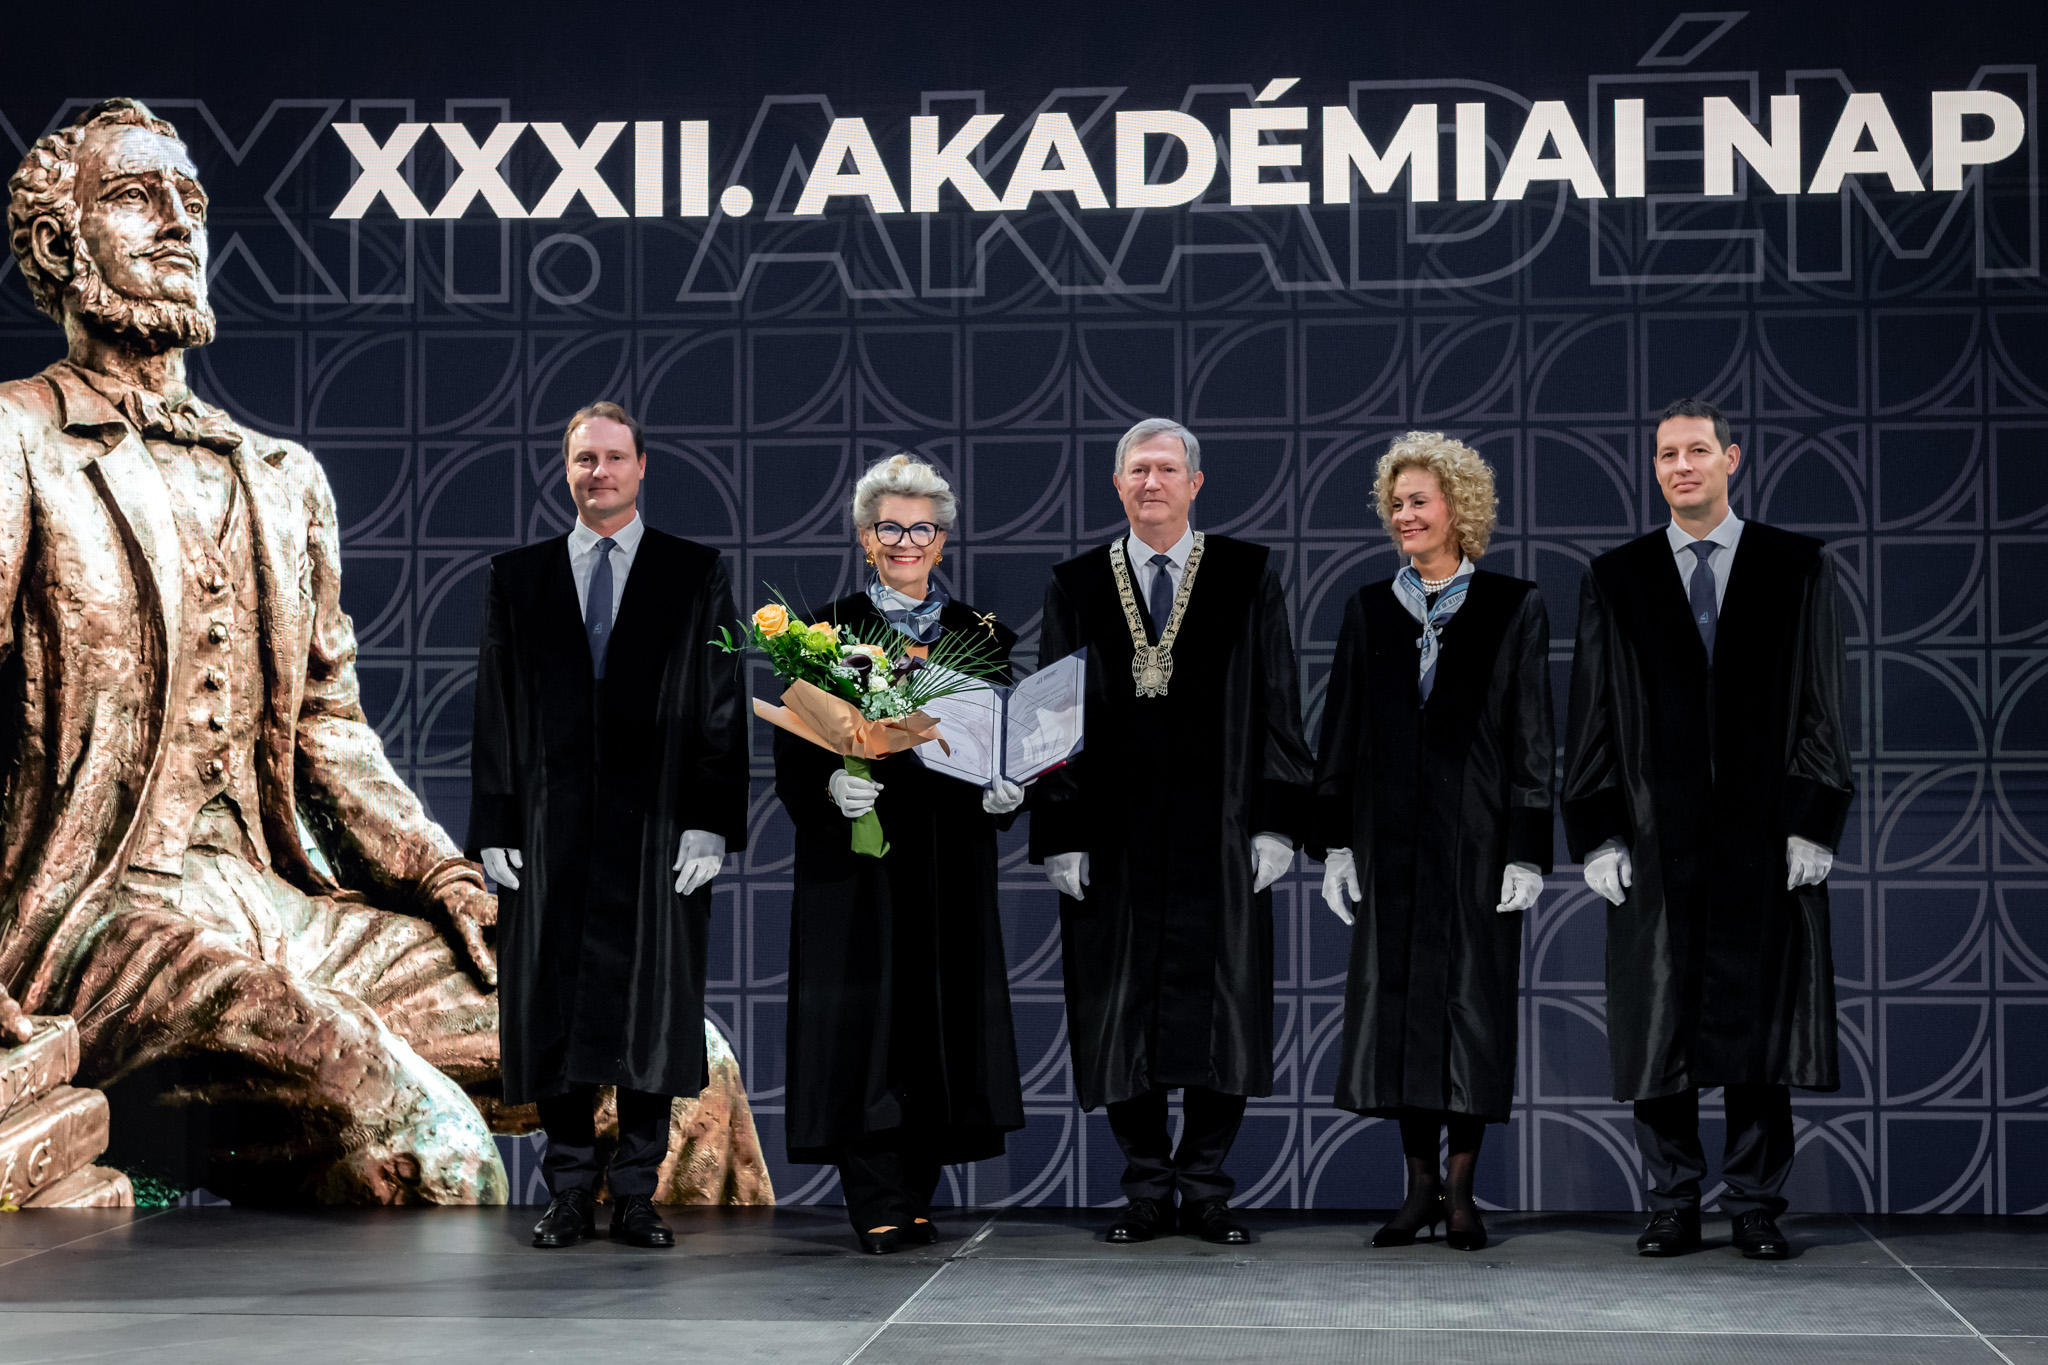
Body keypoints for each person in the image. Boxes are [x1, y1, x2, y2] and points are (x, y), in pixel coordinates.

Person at [0, 98, 503, 1203]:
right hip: (105, 922)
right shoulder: (16, 441)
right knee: (427, 1140)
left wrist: (441, 873)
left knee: (667, 1064)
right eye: (135, 197)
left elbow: (330, 727)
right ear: (56, 244)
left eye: (190, 199)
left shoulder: (283, 478)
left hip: (288, 903)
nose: (177, 221)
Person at [1563, 397, 1852, 1261]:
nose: (1680, 466)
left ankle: (1756, 1202)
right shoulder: (1618, 577)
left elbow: (1822, 700)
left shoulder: (1793, 565)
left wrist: (1812, 820)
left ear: (1732, 458)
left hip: (1762, 836)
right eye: (1666, 454)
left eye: (1696, 450)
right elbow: (1592, 713)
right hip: (1659, 832)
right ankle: (1673, 1201)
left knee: (1760, 1022)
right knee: (1659, 1019)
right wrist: (1598, 831)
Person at [469, 401, 749, 1248]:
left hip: (656, 824)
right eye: (584, 458)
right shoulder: (519, 578)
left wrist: (710, 821)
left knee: (650, 1006)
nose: (600, 471)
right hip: (549, 824)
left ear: (641, 466)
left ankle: (634, 1190)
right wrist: (495, 821)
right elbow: (496, 707)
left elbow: (721, 703)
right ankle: (566, 1189)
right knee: (550, 1003)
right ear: (567, 470)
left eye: (615, 457)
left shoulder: (692, 573)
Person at [1033, 418, 1314, 1246]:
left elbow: (1279, 702)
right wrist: (1061, 828)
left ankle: (1207, 1187)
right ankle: (1147, 1188)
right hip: (1114, 838)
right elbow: (1052, 717)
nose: (1151, 482)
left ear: (1195, 482)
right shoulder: (1078, 584)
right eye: (1137, 470)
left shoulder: (1246, 574)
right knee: (1120, 1011)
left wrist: (1278, 823)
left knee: (1224, 1010)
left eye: (1165, 468)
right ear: (1117, 485)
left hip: (1221, 832)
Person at [772, 454, 1026, 1255]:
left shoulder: (980, 635)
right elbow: (794, 751)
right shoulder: (824, 631)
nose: (906, 541)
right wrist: (827, 788)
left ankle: (914, 1190)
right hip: (859, 861)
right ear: (865, 536)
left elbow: (1004, 736)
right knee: (865, 1024)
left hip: (949, 857)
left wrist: (1008, 788)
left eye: (922, 528)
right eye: (890, 527)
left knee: (934, 1022)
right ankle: (876, 1194)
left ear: (942, 541)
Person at [1312, 434, 1552, 1253]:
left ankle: (1461, 1190)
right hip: (1389, 843)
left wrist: (1526, 847)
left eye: (1419, 500)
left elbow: (1531, 733)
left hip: (1475, 840)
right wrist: (1336, 845)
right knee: (1399, 1010)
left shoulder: (1512, 605)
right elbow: (1340, 730)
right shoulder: (1369, 607)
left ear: (1459, 506)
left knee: (1469, 1010)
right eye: (1396, 503)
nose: (1404, 515)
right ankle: (1417, 1187)